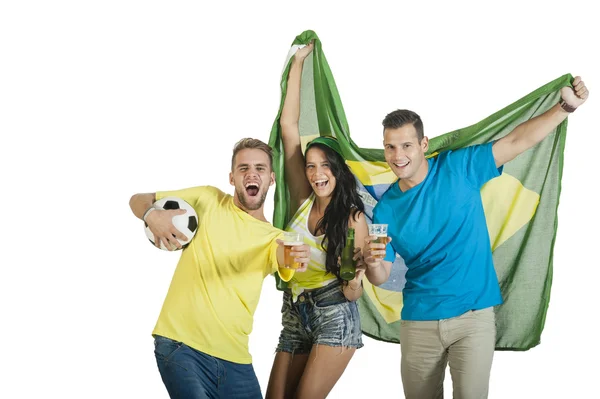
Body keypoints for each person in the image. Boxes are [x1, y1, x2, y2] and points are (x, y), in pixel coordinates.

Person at [364, 77, 589, 399]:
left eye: (406, 145)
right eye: (390, 147)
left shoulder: (458, 167)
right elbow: (381, 274)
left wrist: (565, 107)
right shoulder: (385, 210)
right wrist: (372, 264)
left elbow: (516, 141)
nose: (398, 155)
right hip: (418, 321)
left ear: (423, 144)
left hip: (473, 318)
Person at [129, 138, 311, 399]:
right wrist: (151, 215)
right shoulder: (208, 199)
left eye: (260, 168)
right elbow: (138, 199)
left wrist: (294, 256)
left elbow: (282, 255)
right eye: (243, 168)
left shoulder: (274, 237)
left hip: (235, 360)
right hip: (181, 345)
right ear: (232, 177)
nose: (251, 174)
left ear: (270, 179)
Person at [265, 42, 390, 399]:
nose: (317, 173)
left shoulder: (352, 219)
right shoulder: (303, 199)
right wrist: (298, 63)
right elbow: (289, 127)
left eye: (325, 166)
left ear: (337, 171)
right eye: (310, 165)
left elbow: (353, 290)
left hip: (334, 314)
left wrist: (358, 273)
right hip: (294, 311)